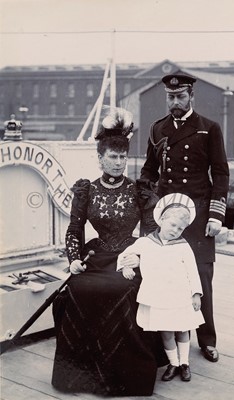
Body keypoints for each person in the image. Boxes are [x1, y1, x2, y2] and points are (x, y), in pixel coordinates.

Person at [51, 107, 167, 397]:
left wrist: (139, 258)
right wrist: (74, 259)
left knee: (123, 289)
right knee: (77, 287)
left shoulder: (139, 190)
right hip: (96, 255)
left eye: (123, 157)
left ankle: (124, 375)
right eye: (112, 157)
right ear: (100, 158)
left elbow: (152, 234)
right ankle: (80, 375)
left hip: (131, 255)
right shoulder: (86, 191)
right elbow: (74, 229)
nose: (118, 163)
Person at [139, 74, 230, 363]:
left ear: (191, 96)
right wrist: (144, 198)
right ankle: (160, 342)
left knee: (201, 277)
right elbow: (149, 171)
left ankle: (207, 339)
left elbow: (221, 172)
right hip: (165, 215)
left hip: (199, 213)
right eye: (170, 96)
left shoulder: (208, 129)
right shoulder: (157, 129)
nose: (174, 102)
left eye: (180, 96)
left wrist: (216, 214)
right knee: (159, 275)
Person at [117, 193, 204, 382]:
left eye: (180, 228)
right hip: (157, 296)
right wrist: (126, 266)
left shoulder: (183, 246)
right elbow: (126, 254)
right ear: (162, 219)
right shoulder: (146, 242)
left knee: (182, 329)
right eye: (172, 225)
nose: (175, 231)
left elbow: (192, 270)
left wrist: (196, 294)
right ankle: (173, 363)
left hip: (180, 295)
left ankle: (185, 363)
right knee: (166, 331)